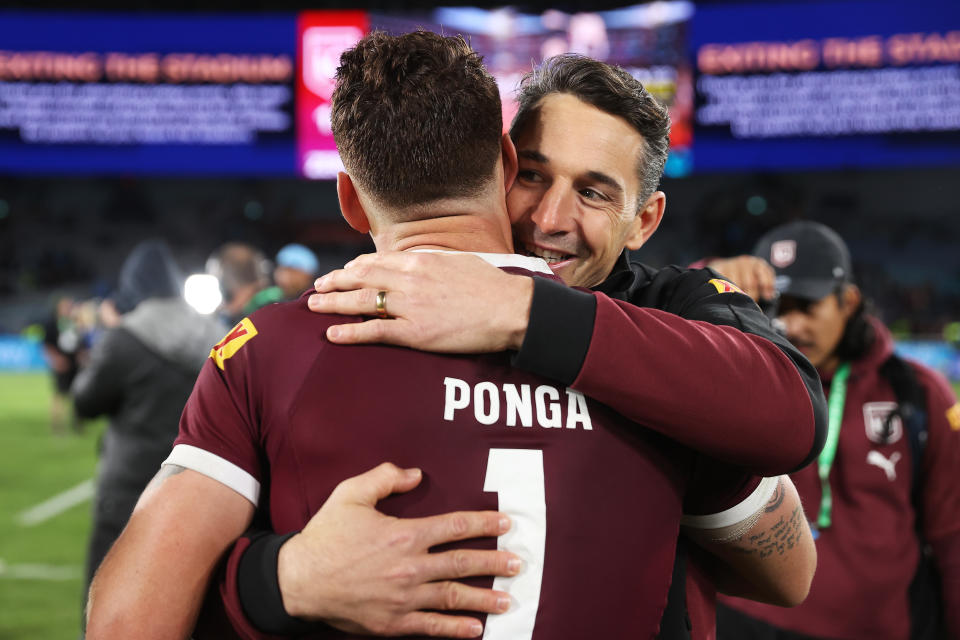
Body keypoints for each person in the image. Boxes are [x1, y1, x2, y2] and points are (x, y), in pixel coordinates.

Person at [86, 32, 816, 640]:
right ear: (502, 167)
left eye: (593, 192)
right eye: (534, 175)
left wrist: (528, 313)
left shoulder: (280, 347)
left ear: (645, 220)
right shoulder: (671, 371)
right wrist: (291, 575)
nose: (552, 218)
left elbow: (127, 620)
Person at [716, 221, 960, 639]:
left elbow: (953, 534)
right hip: (745, 624)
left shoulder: (919, 393)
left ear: (847, 301)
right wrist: (709, 275)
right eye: (774, 307)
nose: (787, 325)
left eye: (805, 306)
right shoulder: (729, 383)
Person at [71, 239, 226, 622]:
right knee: (186, 606)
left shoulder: (127, 336)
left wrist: (107, 335)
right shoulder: (212, 330)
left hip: (128, 488)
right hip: (199, 484)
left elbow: (86, 402)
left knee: (107, 605)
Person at [42, 295, 81, 434]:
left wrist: (80, 356)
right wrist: (56, 359)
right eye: (66, 306)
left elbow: (78, 344)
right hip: (60, 364)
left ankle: (77, 424)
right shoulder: (52, 323)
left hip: (74, 364)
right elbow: (46, 344)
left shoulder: (73, 323)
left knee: (77, 394)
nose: (68, 308)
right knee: (59, 395)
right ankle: (57, 426)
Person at [244, 243, 320, 313]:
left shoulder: (317, 300)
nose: (285, 277)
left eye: (293, 272)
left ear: (309, 276)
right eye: (282, 269)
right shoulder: (265, 298)